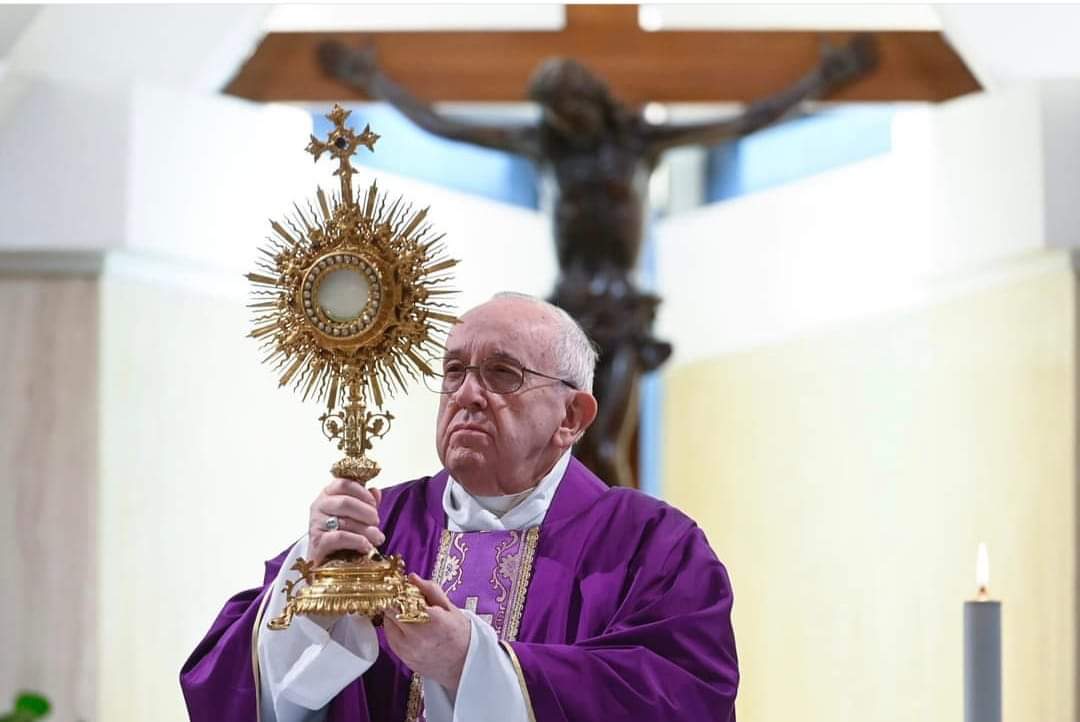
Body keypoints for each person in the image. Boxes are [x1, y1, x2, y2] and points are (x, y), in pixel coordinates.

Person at [318, 37, 878, 488]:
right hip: (567, 315)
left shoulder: (636, 144)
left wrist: (821, 81)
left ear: (590, 101)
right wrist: (374, 82)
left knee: (604, 445)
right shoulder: (546, 146)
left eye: (570, 107)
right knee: (556, 447)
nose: (563, 119)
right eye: (554, 112)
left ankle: (627, 553)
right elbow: (446, 125)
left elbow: (744, 122)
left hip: (623, 315)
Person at [181, 292, 739, 722]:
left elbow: (684, 698)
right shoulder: (376, 528)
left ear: (571, 417)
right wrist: (311, 603)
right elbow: (225, 683)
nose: (468, 394)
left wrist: (471, 662)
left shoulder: (652, 546)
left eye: (502, 373)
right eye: (454, 371)